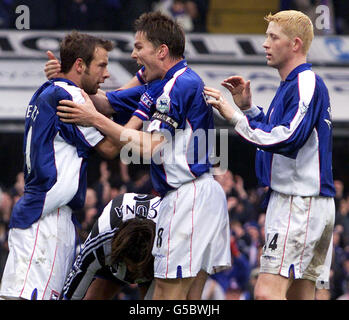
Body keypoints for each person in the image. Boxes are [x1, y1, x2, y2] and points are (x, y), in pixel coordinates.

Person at [55, 11, 231, 300]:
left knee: (166, 297)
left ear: (161, 51)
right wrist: (66, 80)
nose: (134, 55)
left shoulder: (177, 86)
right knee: (190, 300)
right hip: (198, 195)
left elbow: (150, 146)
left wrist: (95, 121)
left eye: (139, 47)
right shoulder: (162, 85)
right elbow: (104, 102)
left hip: (188, 196)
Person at [204, 10, 335, 300]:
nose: (265, 43)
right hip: (305, 202)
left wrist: (236, 117)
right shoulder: (293, 85)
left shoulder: (305, 82)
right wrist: (249, 110)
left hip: (298, 203)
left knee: (265, 293)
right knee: (300, 296)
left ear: (295, 44)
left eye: (273, 37)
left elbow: (288, 137)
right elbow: (279, 130)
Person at [0, 31, 121, 300]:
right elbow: (112, 148)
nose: (107, 74)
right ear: (80, 65)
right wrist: (142, 111)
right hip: (47, 221)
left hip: (43, 216)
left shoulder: (48, 90)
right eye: (101, 65)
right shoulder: (71, 96)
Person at [61, 192, 160, 300]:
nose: (132, 274)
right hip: (113, 251)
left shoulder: (166, 243)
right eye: (128, 266)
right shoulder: (100, 242)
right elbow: (72, 293)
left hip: (153, 259)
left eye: (136, 270)